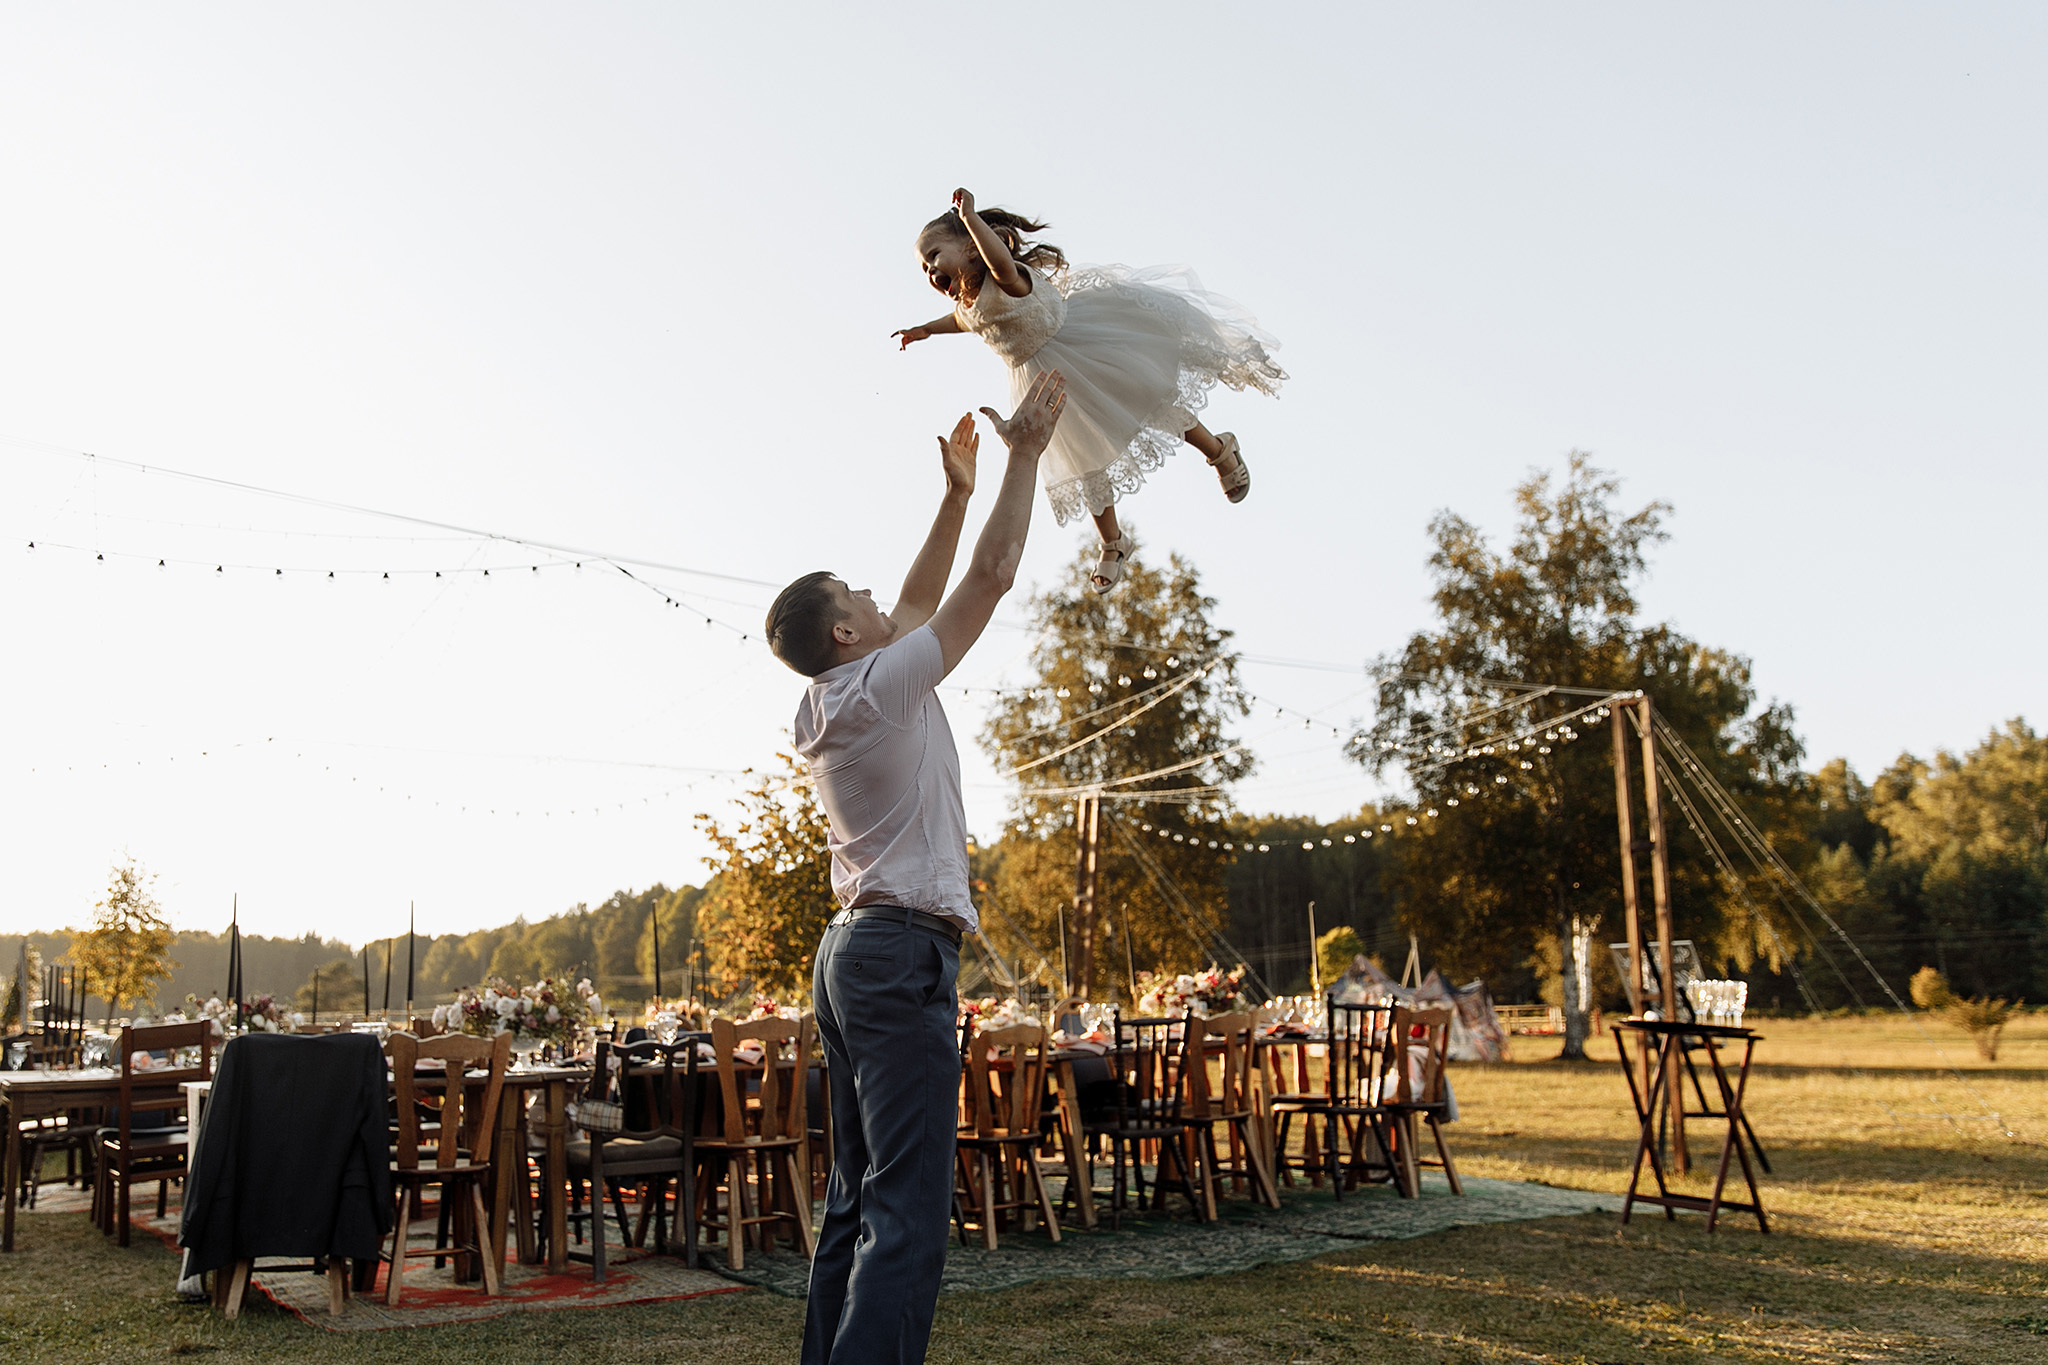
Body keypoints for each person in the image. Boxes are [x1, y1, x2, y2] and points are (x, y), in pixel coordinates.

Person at [768, 371, 1067, 1365]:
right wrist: (1023, 452)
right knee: (905, 1211)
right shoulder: (882, 687)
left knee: (858, 1197)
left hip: (850, 957)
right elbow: (984, 584)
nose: (870, 595)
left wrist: (952, 493)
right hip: (896, 957)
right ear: (844, 635)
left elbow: (907, 602)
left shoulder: (833, 698)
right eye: (852, 594)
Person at [894, 187, 1285, 593]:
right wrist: (924, 330)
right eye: (924, 267)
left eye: (934, 255)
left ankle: (1219, 449)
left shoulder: (1006, 278)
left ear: (972, 248)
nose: (929, 270)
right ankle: (1113, 542)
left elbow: (1000, 262)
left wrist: (972, 219)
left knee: (1150, 402)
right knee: (1082, 460)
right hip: (1042, 383)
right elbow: (960, 321)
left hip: (1083, 350)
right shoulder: (968, 306)